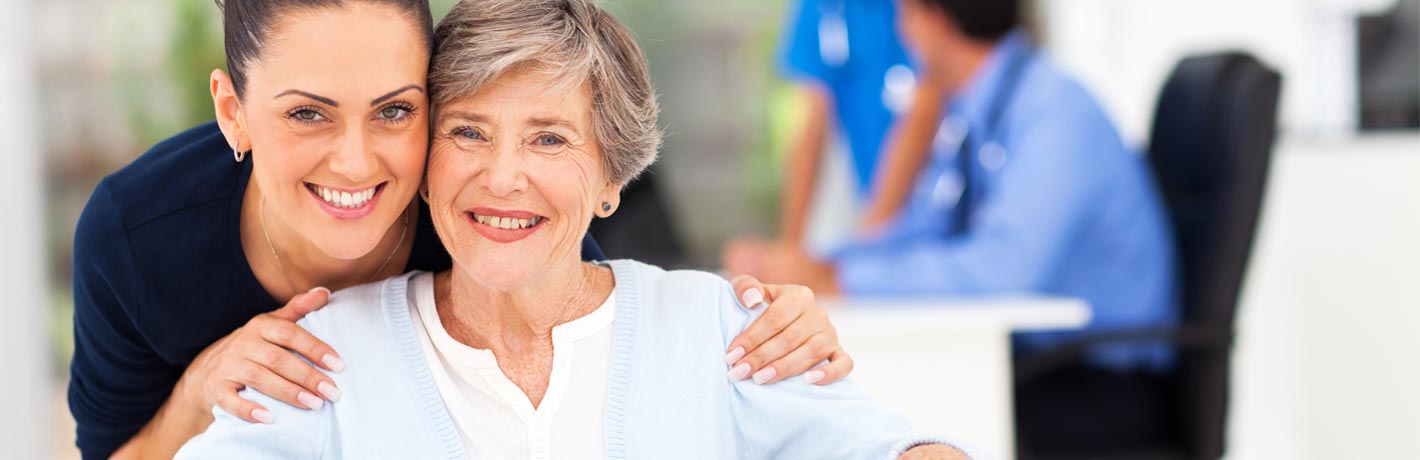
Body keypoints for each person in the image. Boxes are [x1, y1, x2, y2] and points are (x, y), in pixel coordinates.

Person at [174, 1, 974, 458]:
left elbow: (892, 450)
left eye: (549, 138)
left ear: (611, 180)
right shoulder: (329, 355)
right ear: (423, 163)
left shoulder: (716, 327)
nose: (502, 175)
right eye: (468, 132)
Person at [723, 0, 1180, 449]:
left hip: (1099, 386)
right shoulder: (980, 109)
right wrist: (813, 263)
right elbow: (923, 228)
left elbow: (1000, 270)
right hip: (1045, 367)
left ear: (933, 19)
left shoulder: (1054, 112)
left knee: (883, 416)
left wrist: (840, 278)